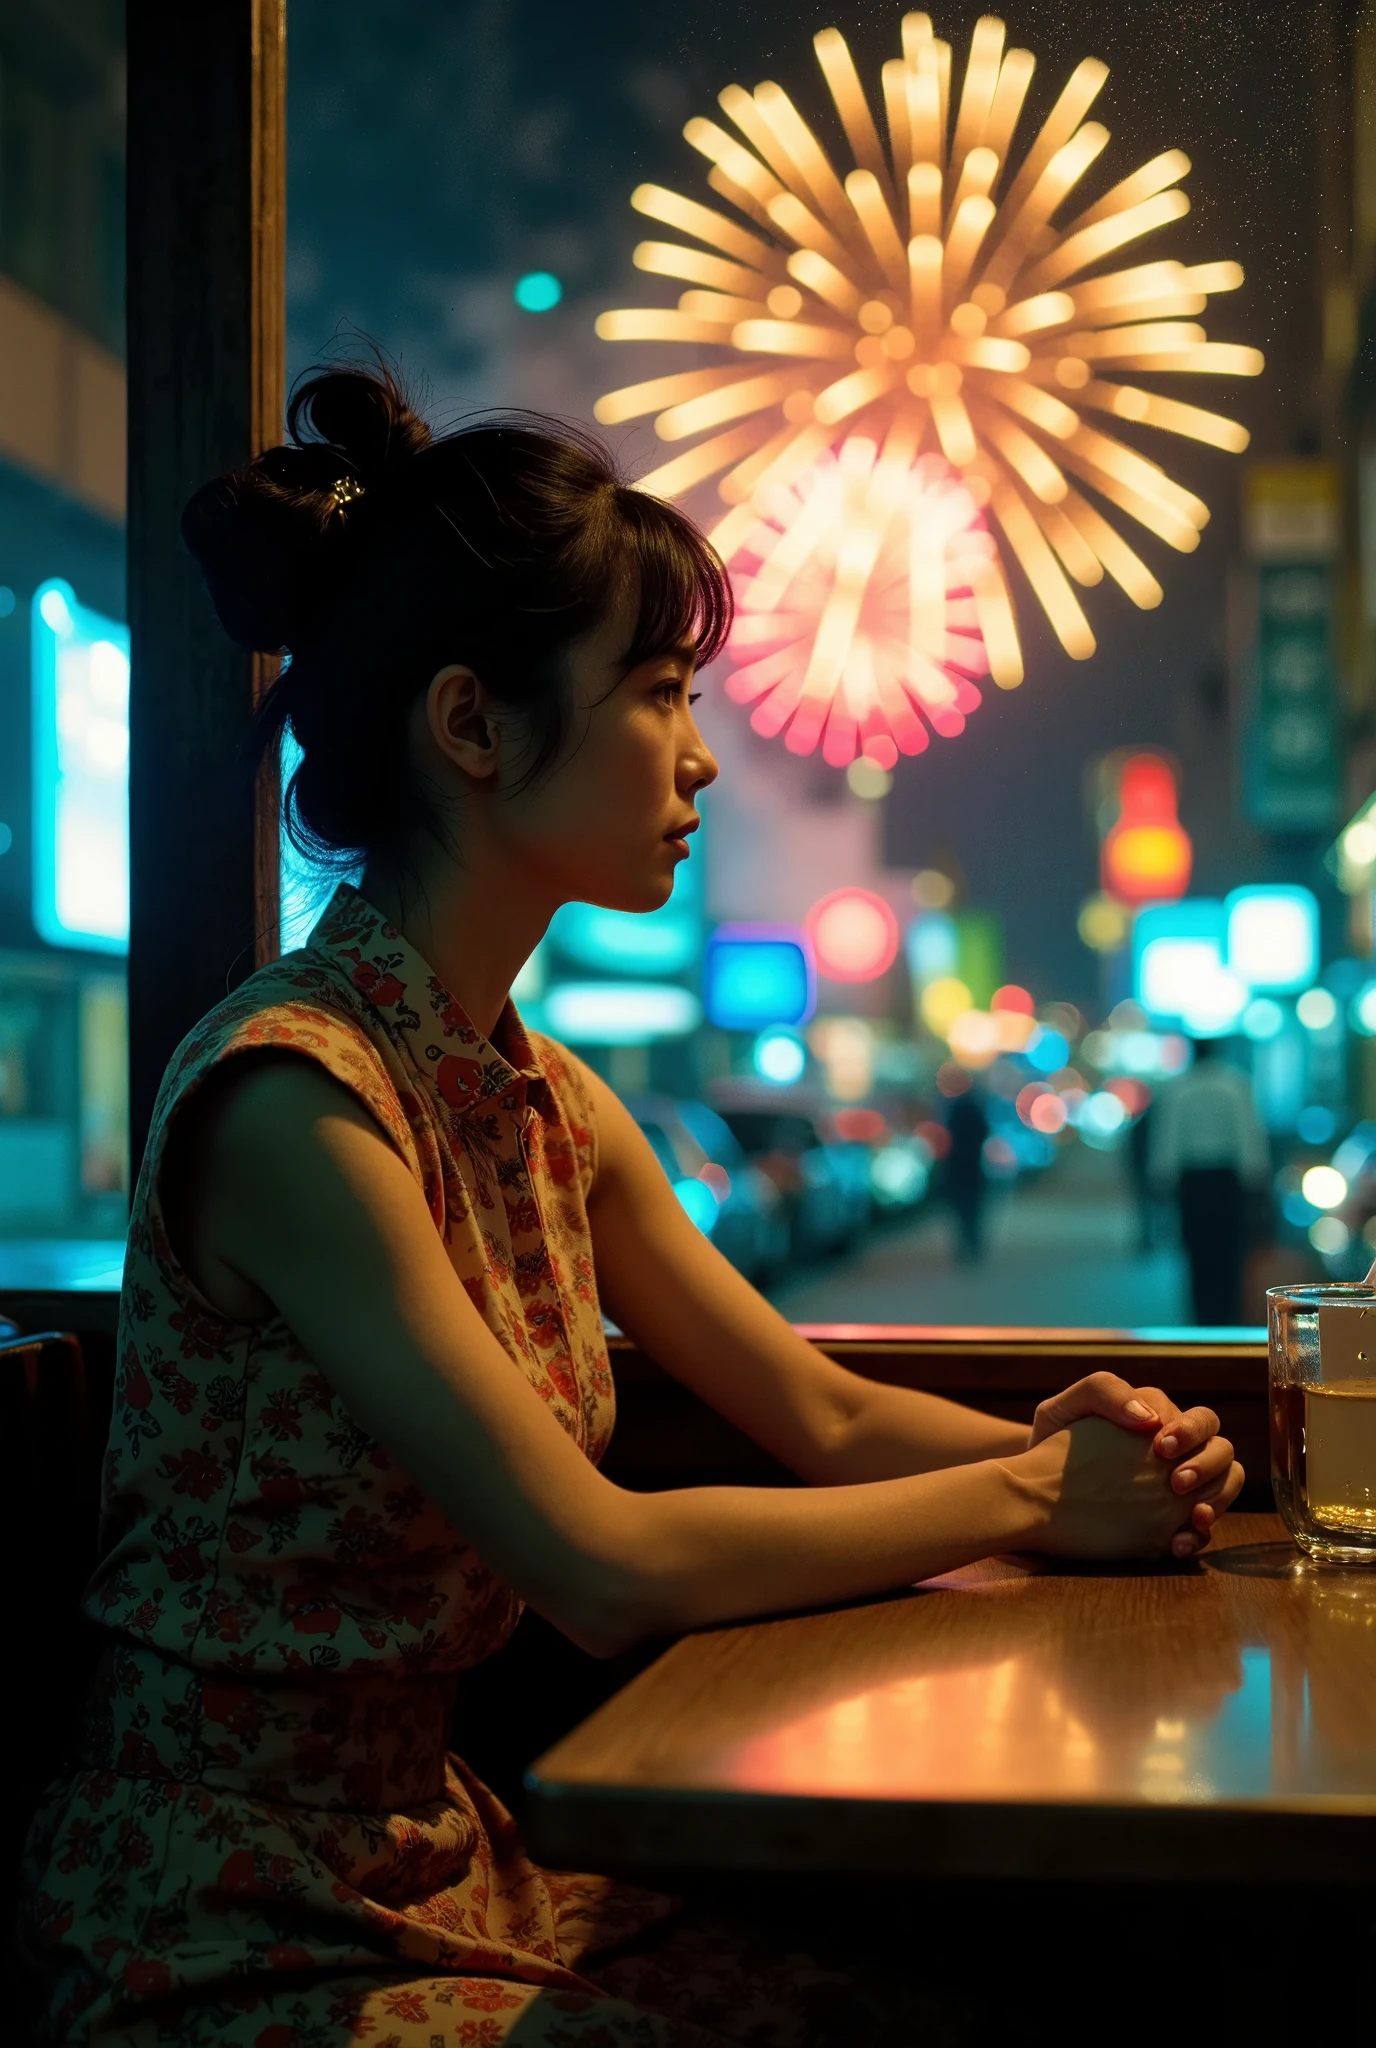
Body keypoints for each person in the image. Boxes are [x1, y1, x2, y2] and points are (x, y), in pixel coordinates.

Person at [22, 366, 1244, 2046]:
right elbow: (596, 1563)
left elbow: (810, 1404)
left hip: (443, 1847)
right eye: (660, 690)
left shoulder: (541, 1093)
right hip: (224, 1909)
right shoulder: (296, 1100)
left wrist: (1095, 1445)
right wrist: (1038, 1488)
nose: (702, 756)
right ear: (471, 726)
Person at [1149, 1036, 1269, 1324]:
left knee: (1196, 1252)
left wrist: (1162, 1178)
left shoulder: (1179, 1089)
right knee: (1229, 1251)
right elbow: (1247, 1136)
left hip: (1193, 1182)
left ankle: (1201, 1315)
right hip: (1226, 1181)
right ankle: (1227, 1313)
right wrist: (1255, 1178)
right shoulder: (1235, 1084)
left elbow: (1168, 1137)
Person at [942, 1085, 989, 1262]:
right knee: (973, 1213)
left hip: (958, 1170)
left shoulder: (955, 1112)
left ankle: (964, 1247)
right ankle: (973, 1246)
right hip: (973, 1170)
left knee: (961, 1213)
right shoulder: (976, 1112)